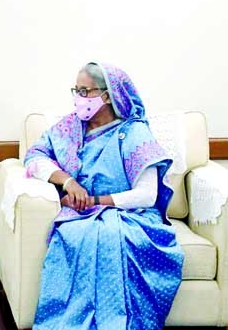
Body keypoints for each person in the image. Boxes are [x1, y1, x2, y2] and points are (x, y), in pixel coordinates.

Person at [24, 62, 184, 329]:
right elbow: (35, 156)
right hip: (80, 214)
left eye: (85, 91)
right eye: (76, 90)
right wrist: (68, 182)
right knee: (72, 236)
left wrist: (95, 202)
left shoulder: (133, 132)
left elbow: (147, 195)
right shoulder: (70, 128)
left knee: (113, 236)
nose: (79, 97)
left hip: (131, 216)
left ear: (107, 95)